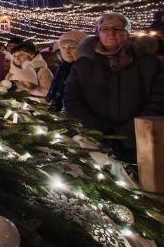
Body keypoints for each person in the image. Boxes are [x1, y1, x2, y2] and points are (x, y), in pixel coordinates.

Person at [64, 13, 164, 154]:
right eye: (105, 29)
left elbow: (159, 99)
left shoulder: (149, 63)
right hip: (96, 140)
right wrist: (100, 129)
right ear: (98, 33)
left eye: (117, 29)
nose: (111, 33)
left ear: (127, 32)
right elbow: (72, 101)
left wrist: (131, 130)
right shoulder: (83, 65)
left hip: (143, 139)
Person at [46, 30, 86, 111]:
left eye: (72, 47)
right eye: (63, 48)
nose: (67, 51)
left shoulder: (86, 70)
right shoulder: (62, 68)